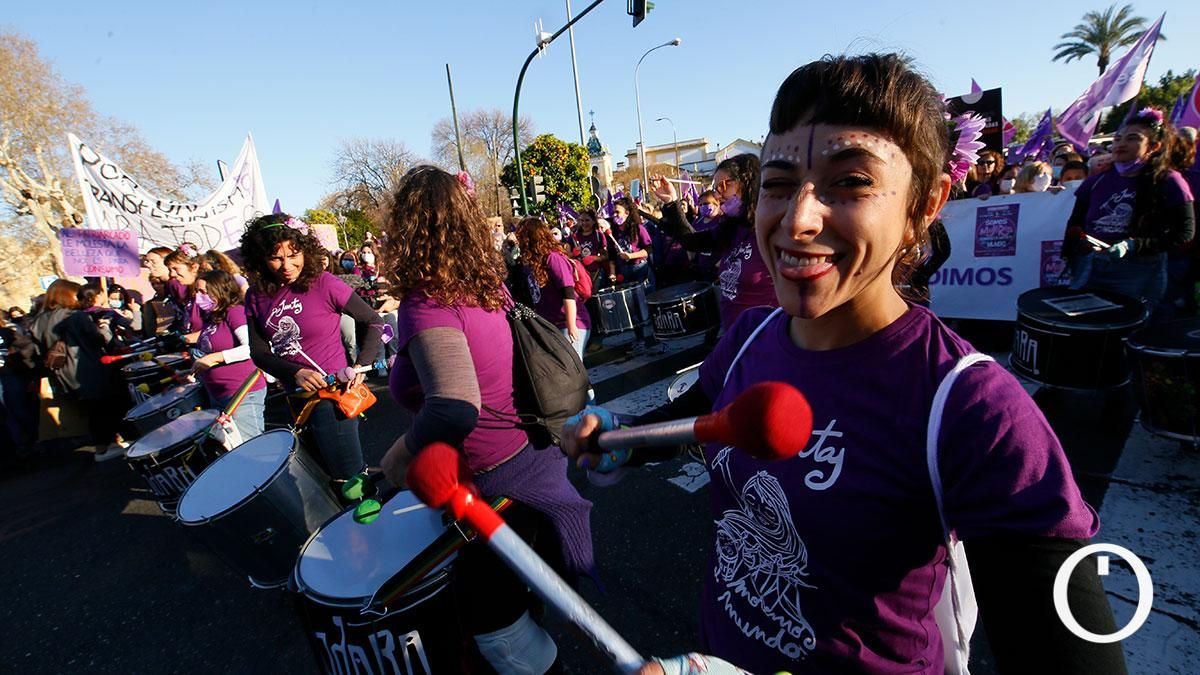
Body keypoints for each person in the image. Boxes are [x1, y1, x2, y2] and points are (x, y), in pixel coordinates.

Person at [568, 53, 1125, 674]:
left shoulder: (974, 408)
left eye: (851, 181)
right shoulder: (750, 338)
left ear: (924, 203)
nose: (797, 220)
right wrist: (620, 437)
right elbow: (698, 419)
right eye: (778, 185)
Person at [378, 166, 594, 675]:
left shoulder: (427, 302)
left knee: (502, 638)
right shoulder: (485, 287)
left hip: (495, 493)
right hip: (533, 465)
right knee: (519, 615)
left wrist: (400, 452)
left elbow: (454, 404)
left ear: (406, 231)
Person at [240, 213, 386, 481]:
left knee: (349, 482)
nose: (287, 265)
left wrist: (361, 366)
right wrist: (294, 373)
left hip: (333, 398)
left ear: (305, 250)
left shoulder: (325, 283)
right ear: (260, 257)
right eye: (276, 257)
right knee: (320, 481)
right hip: (295, 401)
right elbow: (259, 353)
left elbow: (375, 322)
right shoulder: (255, 296)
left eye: (294, 254)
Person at [1062, 108, 1195, 318]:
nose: (1121, 144)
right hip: (1091, 267)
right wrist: (1073, 249)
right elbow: (1075, 221)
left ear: (1153, 146)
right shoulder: (1096, 180)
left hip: (1138, 272)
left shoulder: (1169, 181)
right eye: (1117, 138)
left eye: (1132, 138)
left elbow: (1184, 232)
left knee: (1127, 327)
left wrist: (1134, 245)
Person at [653, 154, 779, 331]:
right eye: (716, 187)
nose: (718, 194)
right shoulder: (732, 228)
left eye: (724, 185)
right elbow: (692, 241)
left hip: (766, 337)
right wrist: (672, 202)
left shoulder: (773, 229)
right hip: (734, 339)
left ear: (748, 182)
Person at [30, 280, 126, 462]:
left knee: (92, 410)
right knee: (103, 408)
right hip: (86, 368)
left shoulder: (39, 321)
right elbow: (96, 339)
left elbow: (37, 350)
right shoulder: (74, 316)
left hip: (62, 373)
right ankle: (104, 448)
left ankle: (106, 445)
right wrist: (103, 328)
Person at [189, 270, 267, 441]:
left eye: (203, 292)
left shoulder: (235, 312)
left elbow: (250, 348)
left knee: (250, 444)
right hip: (218, 394)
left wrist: (214, 358)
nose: (198, 297)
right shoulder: (212, 318)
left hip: (242, 392)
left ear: (219, 290)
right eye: (197, 292)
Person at [517, 216, 591, 360]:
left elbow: (568, 292)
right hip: (551, 325)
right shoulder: (533, 262)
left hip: (569, 322)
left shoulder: (553, 258)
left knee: (573, 371)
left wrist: (571, 325)